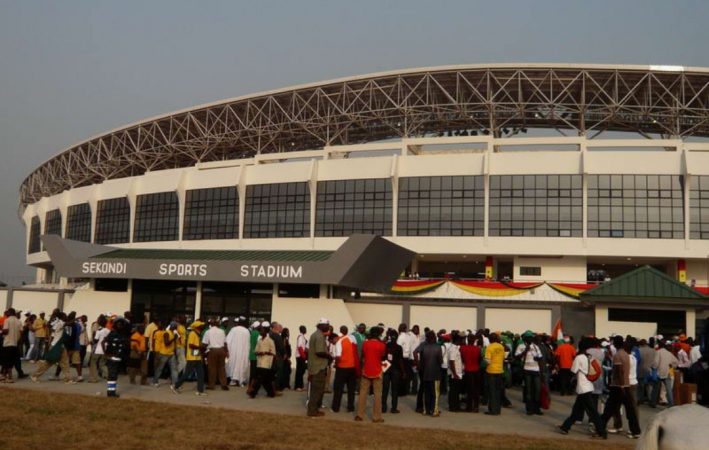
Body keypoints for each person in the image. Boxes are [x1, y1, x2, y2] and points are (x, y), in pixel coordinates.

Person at [558, 337, 607, 439]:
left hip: (582, 388)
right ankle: (565, 427)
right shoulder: (589, 357)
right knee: (576, 410)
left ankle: (602, 432)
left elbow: (572, 371)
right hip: (588, 386)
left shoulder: (579, 358)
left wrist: (566, 381)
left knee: (592, 412)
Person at [601, 335, 641, 439]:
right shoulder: (626, 355)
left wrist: (621, 385)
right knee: (629, 410)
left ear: (615, 343)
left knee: (609, 408)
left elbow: (619, 371)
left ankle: (600, 427)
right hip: (625, 384)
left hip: (619, 385)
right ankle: (635, 430)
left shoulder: (618, 355)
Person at [355, 326, 386, 423]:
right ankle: (376, 417)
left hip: (366, 370)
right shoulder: (382, 345)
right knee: (377, 394)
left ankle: (360, 415)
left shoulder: (365, 344)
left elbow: (363, 355)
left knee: (363, 393)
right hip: (377, 370)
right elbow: (382, 356)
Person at [31, 312, 71, 383]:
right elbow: (68, 323)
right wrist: (77, 318)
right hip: (56, 346)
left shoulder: (59, 323)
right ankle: (35, 375)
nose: (66, 316)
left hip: (61, 345)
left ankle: (68, 379)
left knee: (65, 363)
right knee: (48, 363)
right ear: (62, 317)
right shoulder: (60, 323)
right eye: (65, 316)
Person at [415, 330, 443, 417]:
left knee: (426, 393)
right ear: (434, 338)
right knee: (435, 393)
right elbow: (440, 361)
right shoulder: (438, 347)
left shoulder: (424, 347)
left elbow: (415, 352)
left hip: (425, 373)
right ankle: (434, 411)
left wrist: (418, 364)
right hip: (435, 373)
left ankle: (425, 410)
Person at [174, 320, 207, 395]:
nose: (203, 326)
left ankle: (200, 391)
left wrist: (201, 348)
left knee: (201, 374)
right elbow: (190, 345)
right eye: (201, 325)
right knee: (186, 374)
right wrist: (200, 347)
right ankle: (176, 386)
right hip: (192, 358)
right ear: (197, 327)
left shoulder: (198, 334)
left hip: (197, 357)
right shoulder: (192, 333)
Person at [307, 318, 331, 417]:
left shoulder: (314, 334)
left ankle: (314, 409)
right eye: (327, 325)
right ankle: (313, 411)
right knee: (317, 390)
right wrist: (329, 356)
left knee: (315, 389)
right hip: (319, 366)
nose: (328, 327)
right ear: (322, 325)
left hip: (315, 365)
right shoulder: (320, 336)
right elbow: (319, 352)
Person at [515, 330, 543, 415]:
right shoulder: (521, 346)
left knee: (537, 390)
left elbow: (540, 357)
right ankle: (529, 409)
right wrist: (525, 351)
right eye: (529, 338)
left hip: (536, 370)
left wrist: (537, 359)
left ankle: (537, 408)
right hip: (526, 370)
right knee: (528, 391)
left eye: (531, 338)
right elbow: (516, 356)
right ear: (525, 338)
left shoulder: (535, 346)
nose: (530, 339)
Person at [331, 325, 358, 413]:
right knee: (351, 389)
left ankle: (336, 408)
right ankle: (350, 407)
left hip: (342, 368)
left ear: (340, 331)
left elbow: (338, 356)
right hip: (352, 368)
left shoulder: (340, 341)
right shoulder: (352, 339)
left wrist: (335, 364)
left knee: (338, 389)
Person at [250, 321, 277, 398]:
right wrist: (259, 353)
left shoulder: (270, 341)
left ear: (266, 331)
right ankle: (271, 393)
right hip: (260, 362)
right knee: (265, 380)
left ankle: (253, 392)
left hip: (266, 363)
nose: (260, 332)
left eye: (262, 330)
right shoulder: (259, 341)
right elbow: (255, 351)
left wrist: (265, 353)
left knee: (260, 379)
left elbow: (273, 353)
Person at [103, 317, 129, 397]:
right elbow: (103, 342)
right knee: (112, 375)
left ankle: (111, 392)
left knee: (114, 376)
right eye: (118, 324)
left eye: (121, 325)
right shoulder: (113, 333)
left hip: (118, 358)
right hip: (112, 358)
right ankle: (111, 393)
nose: (120, 326)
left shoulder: (122, 334)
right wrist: (106, 353)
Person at [650, 340, 679, 408]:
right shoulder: (669, 353)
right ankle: (671, 404)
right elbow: (676, 362)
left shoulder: (658, 352)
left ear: (659, 345)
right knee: (669, 390)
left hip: (659, 373)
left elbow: (656, 363)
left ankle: (653, 403)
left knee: (656, 389)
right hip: (667, 372)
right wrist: (672, 366)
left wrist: (653, 367)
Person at [382, 328, 404, 414]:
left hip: (386, 369)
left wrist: (383, 369)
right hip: (395, 370)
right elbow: (400, 361)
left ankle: (383, 408)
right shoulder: (399, 347)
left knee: (385, 389)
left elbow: (383, 358)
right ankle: (394, 408)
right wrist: (403, 372)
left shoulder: (386, 346)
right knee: (394, 390)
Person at [203, 318, 229, 391]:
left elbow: (204, 343)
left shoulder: (208, 332)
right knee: (222, 368)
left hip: (212, 351)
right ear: (218, 324)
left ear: (211, 324)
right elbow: (225, 343)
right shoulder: (222, 331)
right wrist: (226, 352)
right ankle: (224, 384)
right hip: (221, 350)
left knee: (212, 368)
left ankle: (211, 385)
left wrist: (203, 352)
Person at [152, 320, 179, 388]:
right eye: (176, 327)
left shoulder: (173, 333)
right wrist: (174, 338)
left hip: (171, 353)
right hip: (164, 353)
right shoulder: (166, 333)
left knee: (174, 369)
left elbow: (173, 345)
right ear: (173, 327)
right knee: (160, 368)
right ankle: (155, 381)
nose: (176, 328)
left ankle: (174, 383)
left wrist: (175, 353)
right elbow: (166, 343)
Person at [460, 333, 482, 412]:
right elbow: (480, 359)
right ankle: (476, 407)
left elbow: (462, 359)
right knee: (476, 390)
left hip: (468, 370)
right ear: (474, 341)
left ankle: (469, 407)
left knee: (469, 390)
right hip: (476, 370)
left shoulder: (462, 348)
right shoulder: (478, 349)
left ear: (467, 340)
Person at [226, 316, 251, 387]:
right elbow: (248, 344)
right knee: (242, 365)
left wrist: (227, 351)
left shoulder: (233, 330)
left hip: (234, 352)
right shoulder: (247, 331)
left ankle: (233, 380)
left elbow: (228, 341)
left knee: (233, 364)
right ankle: (241, 380)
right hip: (243, 353)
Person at [484, 333, 505, 415]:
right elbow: (503, 358)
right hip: (499, 371)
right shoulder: (501, 346)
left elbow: (487, 360)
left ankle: (492, 410)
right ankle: (498, 409)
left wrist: (483, 363)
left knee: (492, 391)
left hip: (491, 371)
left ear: (490, 339)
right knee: (498, 391)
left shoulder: (489, 347)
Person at [1, 308, 22, 382]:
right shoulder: (18, 321)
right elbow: (21, 332)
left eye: (7, 312)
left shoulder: (7, 320)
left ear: (10, 313)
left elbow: (6, 331)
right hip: (15, 344)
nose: (6, 313)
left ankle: (9, 377)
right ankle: (4, 376)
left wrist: (1, 331)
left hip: (7, 343)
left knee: (6, 361)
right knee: (11, 361)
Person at [89, 315, 110, 382]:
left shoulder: (99, 330)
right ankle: (108, 375)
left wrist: (91, 342)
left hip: (98, 350)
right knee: (102, 364)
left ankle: (94, 379)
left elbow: (95, 340)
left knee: (93, 364)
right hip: (105, 349)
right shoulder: (108, 331)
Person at [447, 332, 464, 412]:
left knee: (456, 391)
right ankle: (453, 407)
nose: (462, 341)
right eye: (461, 340)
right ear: (458, 340)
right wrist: (455, 373)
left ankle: (456, 406)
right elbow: (451, 361)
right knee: (454, 391)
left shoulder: (456, 348)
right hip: (454, 374)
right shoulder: (453, 348)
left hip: (457, 373)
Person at [294, 325, 308, 391]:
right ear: (302, 330)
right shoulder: (300, 337)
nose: (305, 330)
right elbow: (300, 347)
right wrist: (303, 356)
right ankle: (297, 386)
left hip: (301, 355)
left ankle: (301, 385)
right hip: (300, 356)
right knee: (299, 371)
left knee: (302, 371)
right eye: (304, 329)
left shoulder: (303, 337)